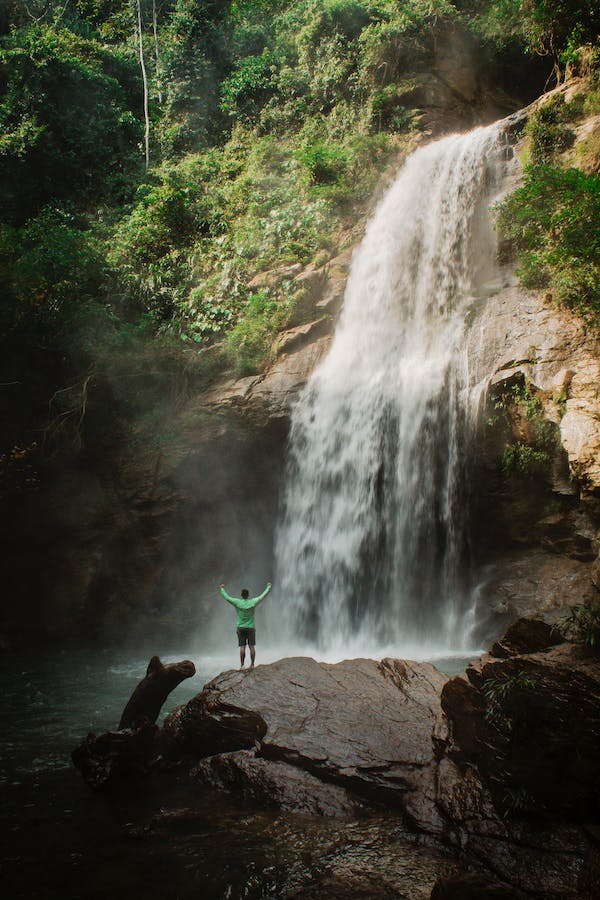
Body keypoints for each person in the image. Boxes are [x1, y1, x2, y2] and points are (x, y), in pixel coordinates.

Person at [219, 582, 272, 670]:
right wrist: (268, 587)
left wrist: (222, 589)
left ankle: (242, 665)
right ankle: (252, 665)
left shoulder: (237, 602)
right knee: (252, 647)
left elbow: (227, 598)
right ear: (248, 595)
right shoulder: (253, 602)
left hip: (241, 628)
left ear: (241, 595)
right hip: (251, 628)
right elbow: (263, 596)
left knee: (242, 647)